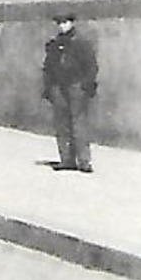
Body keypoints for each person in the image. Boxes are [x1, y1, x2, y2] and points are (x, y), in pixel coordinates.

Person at [42, 12, 98, 173]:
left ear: (72, 23)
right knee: (62, 124)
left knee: (79, 123)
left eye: (65, 22)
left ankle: (84, 161)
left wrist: (85, 85)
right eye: (59, 23)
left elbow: (91, 66)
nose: (62, 25)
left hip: (76, 86)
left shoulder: (81, 43)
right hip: (58, 87)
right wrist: (48, 87)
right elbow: (48, 67)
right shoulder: (54, 44)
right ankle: (66, 159)